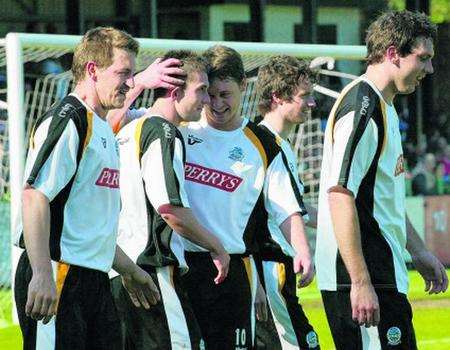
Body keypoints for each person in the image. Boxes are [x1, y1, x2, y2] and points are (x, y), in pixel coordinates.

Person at [13, 27, 163, 350]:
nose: (131, 82)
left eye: (133, 74)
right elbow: (34, 196)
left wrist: (131, 270)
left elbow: (90, 229)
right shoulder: (69, 120)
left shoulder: (104, 130)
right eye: (123, 73)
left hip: (94, 280)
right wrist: (41, 273)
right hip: (58, 274)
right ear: (93, 70)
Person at [315, 10, 448, 349]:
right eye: (423, 58)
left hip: (382, 276)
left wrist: (417, 250)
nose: (429, 69)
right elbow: (340, 194)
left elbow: (379, 200)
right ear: (392, 54)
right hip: (362, 280)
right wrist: (360, 281)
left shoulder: (384, 107)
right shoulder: (363, 106)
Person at [178, 45, 314, 349]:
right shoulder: (180, 132)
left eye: (225, 94)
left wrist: (302, 250)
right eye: (209, 94)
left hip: (235, 272)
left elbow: (286, 208)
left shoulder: (263, 144)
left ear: (242, 86)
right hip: (184, 267)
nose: (216, 103)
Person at [110, 50, 230, 349]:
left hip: (120, 269)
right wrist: (216, 246)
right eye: (201, 90)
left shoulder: (129, 128)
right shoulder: (162, 131)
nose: (207, 100)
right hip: (151, 272)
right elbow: (169, 209)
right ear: (175, 92)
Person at [254, 55, 319, 349]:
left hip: (278, 266)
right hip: (270, 264)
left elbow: (298, 209)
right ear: (278, 97)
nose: (311, 103)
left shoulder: (283, 145)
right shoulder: (262, 144)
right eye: (305, 96)